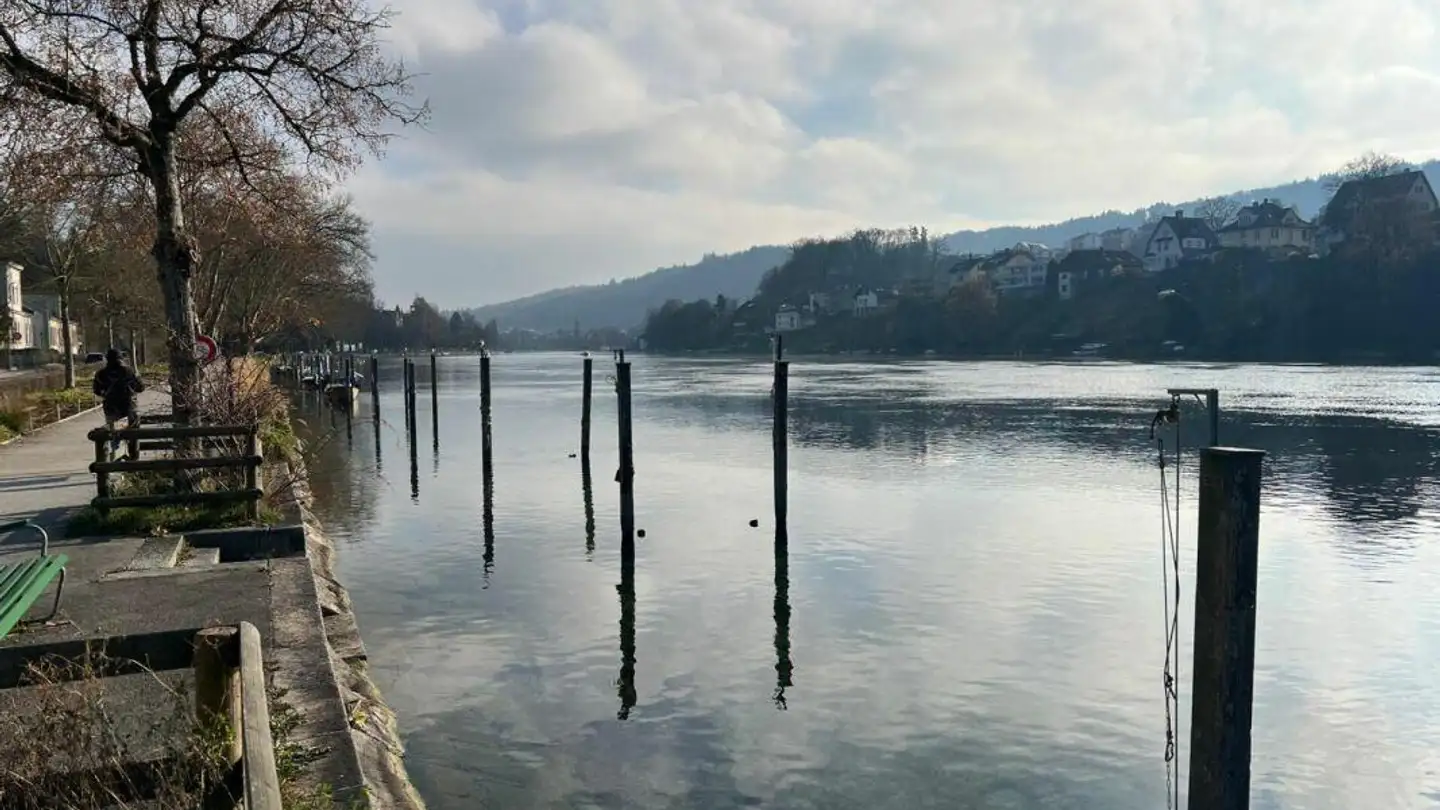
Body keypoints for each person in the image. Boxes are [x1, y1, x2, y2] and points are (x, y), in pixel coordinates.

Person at [92, 348, 144, 458]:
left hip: (111, 408)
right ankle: (133, 459)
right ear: (121, 358)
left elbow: (97, 390)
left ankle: (114, 457)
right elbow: (141, 387)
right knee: (133, 434)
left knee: (114, 433)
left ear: (107, 359)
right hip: (129, 407)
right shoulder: (129, 371)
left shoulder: (101, 374)